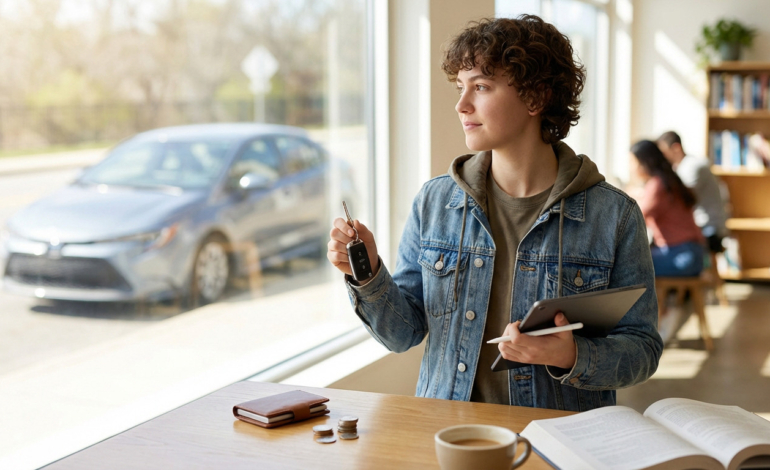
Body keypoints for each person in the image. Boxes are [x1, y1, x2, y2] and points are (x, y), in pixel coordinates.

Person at [327, 16, 662, 412]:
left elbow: (642, 350)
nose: (461, 104)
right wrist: (366, 274)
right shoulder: (434, 202)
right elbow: (403, 334)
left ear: (536, 98)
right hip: (447, 433)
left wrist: (569, 355)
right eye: (460, 87)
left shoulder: (614, 216)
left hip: (559, 438)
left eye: (481, 87)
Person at [630, 140, 704, 277]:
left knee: (626, 266)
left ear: (644, 163)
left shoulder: (657, 185)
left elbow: (635, 220)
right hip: (693, 253)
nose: (631, 168)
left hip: (681, 256)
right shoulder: (669, 180)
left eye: (632, 162)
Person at [656, 131, 728, 253]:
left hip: (707, 226)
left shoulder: (693, 166)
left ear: (676, 148)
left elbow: (678, 198)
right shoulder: (681, 167)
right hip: (701, 225)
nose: (662, 157)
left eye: (664, 152)